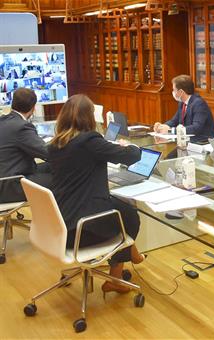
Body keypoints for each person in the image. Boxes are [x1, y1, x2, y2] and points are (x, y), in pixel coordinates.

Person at [48, 94, 146, 294]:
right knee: (130, 216)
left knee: (121, 208)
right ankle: (116, 277)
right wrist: (129, 146)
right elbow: (132, 156)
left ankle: (133, 255)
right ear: (89, 118)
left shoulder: (55, 144)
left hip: (60, 227)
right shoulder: (89, 141)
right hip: (82, 231)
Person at [0, 88, 51, 203]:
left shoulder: (3, 121)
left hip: (5, 178)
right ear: (33, 108)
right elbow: (46, 152)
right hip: (11, 185)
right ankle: (53, 219)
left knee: (53, 166)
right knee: (62, 179)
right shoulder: (21, 127)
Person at [153, 74, 214, 142]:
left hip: (203, 141)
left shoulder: (199, 103)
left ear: (181, 92)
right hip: (188, 140)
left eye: (174, 90)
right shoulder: (182, 103)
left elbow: (196, 128)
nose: (173, 92)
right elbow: (174, 121)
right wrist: (162, 126)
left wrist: (170, 130)